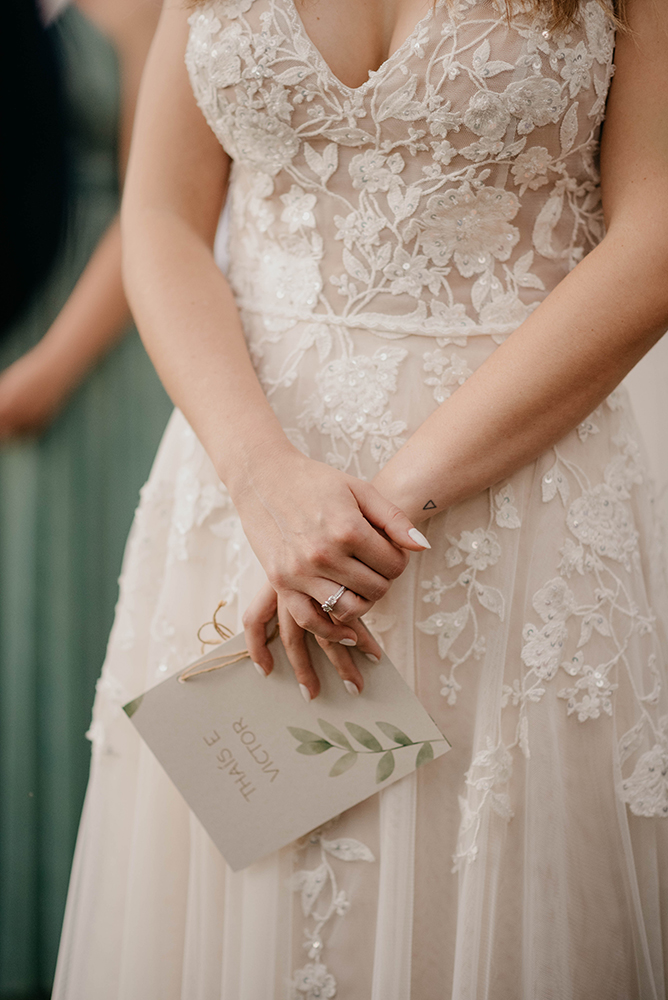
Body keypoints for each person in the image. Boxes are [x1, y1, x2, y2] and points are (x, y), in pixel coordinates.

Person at [53, 0, 668, 995]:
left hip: (518, 508)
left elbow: (655, 234)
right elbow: (160, 214)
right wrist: (261, 478)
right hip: (242, 488)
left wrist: (384, 509)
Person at [0, 0, 172, 992]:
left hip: (102, 343)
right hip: (18, 302)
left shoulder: (140, 8)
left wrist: (46, 373)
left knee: (81, 623)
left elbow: (161, 201)